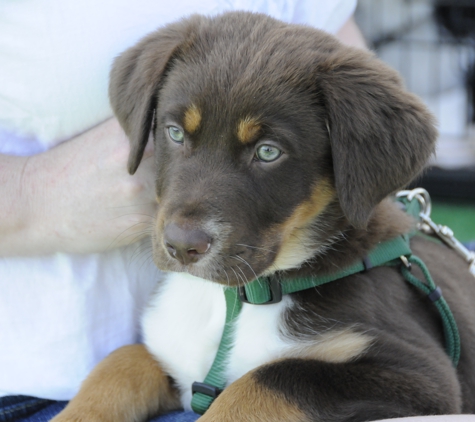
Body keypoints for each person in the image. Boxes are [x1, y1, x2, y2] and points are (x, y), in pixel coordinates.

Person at [0, 1, 364, 420]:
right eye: (176, 132)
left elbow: (362, 104)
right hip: (36, 390)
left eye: (267, 150)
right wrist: (33, 194)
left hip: (229, 383)